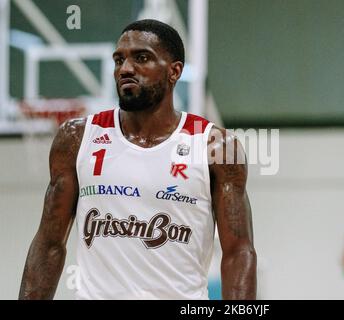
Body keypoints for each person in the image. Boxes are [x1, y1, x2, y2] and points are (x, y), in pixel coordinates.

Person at [19, 19, 257, 300]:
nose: (126, 69)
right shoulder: (77, 138)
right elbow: (49, 243)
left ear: (174, 71)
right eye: (119, 60)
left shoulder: (216, 146)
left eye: (141, 58)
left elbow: (238, 252)